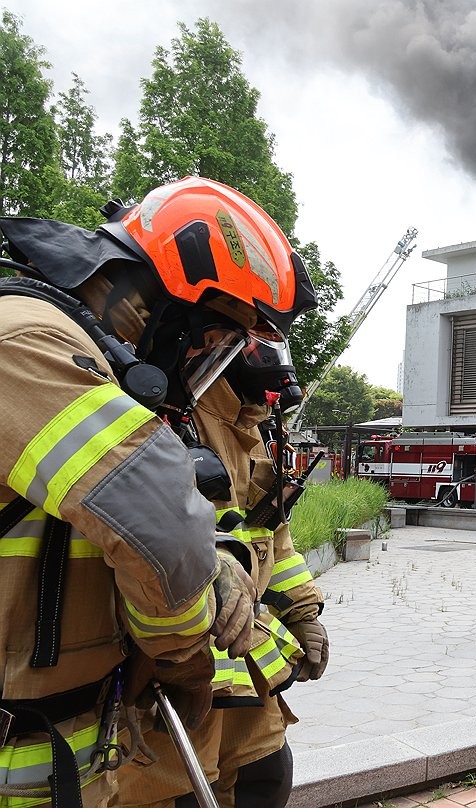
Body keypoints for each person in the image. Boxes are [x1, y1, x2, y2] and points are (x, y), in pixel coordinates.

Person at [0, 174, 315, 807]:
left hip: (68, 744)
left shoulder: (95, 362)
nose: (208, 363)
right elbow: (161, 526)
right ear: (161, 305)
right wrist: (182, 659)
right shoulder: (26, 342)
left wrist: (224, 559)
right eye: (216, 337)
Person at [117, 365, 326, 805]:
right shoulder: (161, 404)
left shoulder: (247, 425)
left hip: (245, 651)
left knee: (266, 775)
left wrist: (303, 611)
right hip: (174, 660)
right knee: (181, 792)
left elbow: (271, 532)